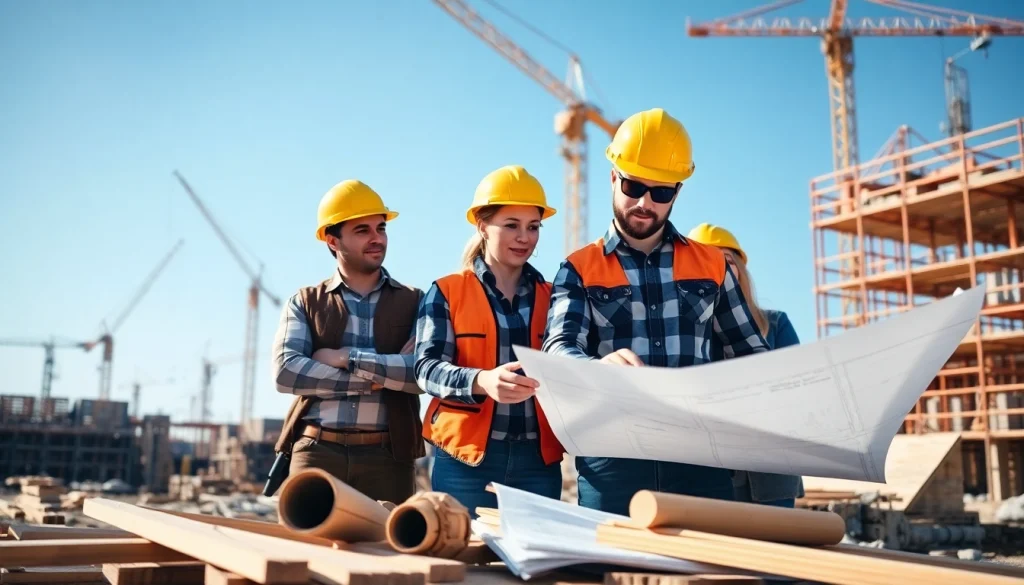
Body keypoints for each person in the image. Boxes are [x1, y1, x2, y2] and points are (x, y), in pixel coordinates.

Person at [541, 108, 771, 516]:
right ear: (613, 177)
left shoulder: (712, 264)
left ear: (677, 192)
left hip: (700, 457)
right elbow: (558, 347)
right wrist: (597, 367)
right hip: (613, 461)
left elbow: (750, 350)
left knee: (708, 576)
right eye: (633, 186)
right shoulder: (578, 267)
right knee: (612, 577)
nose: (645, 202)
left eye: (661, 192)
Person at [415, 165, 565, 515]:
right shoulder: (447, 291)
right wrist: (481, 380)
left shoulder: (555, 297)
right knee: (464, 560)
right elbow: (425, 370)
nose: (524, 237)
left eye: (533, 227)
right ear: (482, 226)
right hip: (464, 462)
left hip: (538, 463)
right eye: (511, 225)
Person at [269, 179, 425, 504]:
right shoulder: (305, 301)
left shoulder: (417, 301)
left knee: (388, 553)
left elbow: (421, 374)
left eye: (381, 228)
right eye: (362, 230)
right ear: (332, 240)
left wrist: (343, 357)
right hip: (316, 451)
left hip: (389, 458)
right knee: (309, 551)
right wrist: (380, 379)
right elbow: (286, 373)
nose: (377, 238)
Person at [686, 222, 804, 508]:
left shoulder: (776, 324)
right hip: (706, 470)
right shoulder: (683, 337)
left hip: (770, 473)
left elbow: (799, 390)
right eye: (704, 262)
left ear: (740, 268)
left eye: (725, 261)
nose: (716, 271)